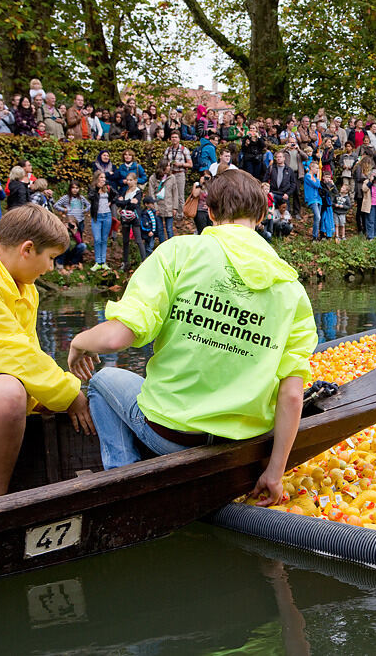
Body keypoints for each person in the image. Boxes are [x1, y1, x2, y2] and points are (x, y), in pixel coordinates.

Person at [66, 170, 316, 506]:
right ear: (261, 216)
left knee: (102, 380)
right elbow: (291, 395)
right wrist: (274, 473)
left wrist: (79, 341)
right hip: (241, 442)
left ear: (210, 212)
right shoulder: (291, 289)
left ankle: (123, 481)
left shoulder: (180, 252)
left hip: (173, 437)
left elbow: (117, 338)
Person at [0, 204, 94, 499]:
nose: (50, 268)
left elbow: (27, 347)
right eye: (50, 258)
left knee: (12, 396)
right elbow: (13, 352)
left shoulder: (26, 286)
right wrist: (68, 394)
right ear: (27, 249)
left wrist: (39, 398)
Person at [114, 173, 147, 270]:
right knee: (125, 240)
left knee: (138, 239)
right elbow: (118, 202)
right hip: (125, 218)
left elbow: (134, 205)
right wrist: (128, 202)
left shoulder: (138, 192)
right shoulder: (125, 191)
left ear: (135, 180)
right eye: (127, 180)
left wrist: (124, 202)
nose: (128, 182)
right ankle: (125, 262)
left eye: (131, 180)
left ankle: (144, 260)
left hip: (134, 218)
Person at [163, 131, 193, 218]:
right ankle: (169, 214)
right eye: (172, 137)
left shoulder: (184, 149)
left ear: (179, 139)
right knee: (169, 195)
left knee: (180, 195)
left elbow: (190, 164)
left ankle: (180, 215)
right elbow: (164, 163)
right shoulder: (168, 150)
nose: (174, 139)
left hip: (180, 174)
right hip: (170, 175)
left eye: (176, 137)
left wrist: (180, 164)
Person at [88, 170, 113, 270]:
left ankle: (103, 262)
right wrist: (98, 188)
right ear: (97, 178)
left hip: (107, 215)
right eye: (101, 177)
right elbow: (91, 197)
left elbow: (115, 195)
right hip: (96, 217)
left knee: (104, 239)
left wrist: (111, 202)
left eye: (104, 178)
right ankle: (97, 261)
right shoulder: (92, 188)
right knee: (97, 239)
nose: (103, 179)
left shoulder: (108, 188)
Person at [304, 160, 322, 240]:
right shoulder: (308, 176)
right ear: (311, 168)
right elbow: (316, 185)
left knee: (317, 218)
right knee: (318, 217)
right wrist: (318, 177)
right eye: (316, 168)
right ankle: (315, 236)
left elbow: (320, 187)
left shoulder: (314, 177)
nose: (318, 170)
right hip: (312, 199)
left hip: (318, 199)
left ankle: (316, 236)